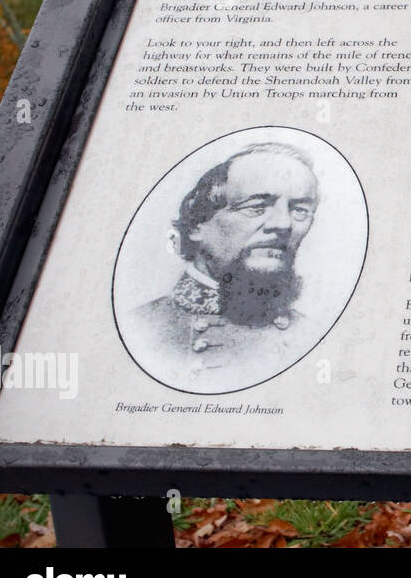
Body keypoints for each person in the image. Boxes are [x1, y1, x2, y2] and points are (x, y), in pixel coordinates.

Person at [124, 141, 320, 392]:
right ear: (197, 226)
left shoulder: (311, 337)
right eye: (257, 207)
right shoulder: (138, 330)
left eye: (300, 210)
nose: (283, 224)